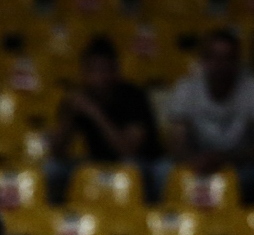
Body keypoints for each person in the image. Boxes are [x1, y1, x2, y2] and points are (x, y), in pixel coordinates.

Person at [163, 28, 254, 204]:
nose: (221, 65)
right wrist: (194, 160)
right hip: (197, 162)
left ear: (238, 61)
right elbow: (176, 142)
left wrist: (225, 160)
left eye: (228, 58)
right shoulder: (186, 87)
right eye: (214, 57)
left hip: (241, 165)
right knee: (160, 172)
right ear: (203, 61)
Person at [48, 36, 166, 202]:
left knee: (148, 168)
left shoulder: (133, 96)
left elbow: (127, 150)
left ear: (115, 71)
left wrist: (94, 112)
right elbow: (57, 152)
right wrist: (68, 116)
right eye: (93, 70)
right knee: (53, 169)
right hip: (97, 162)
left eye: (104, 70)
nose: (99, 77)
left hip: (142, 163)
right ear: (84, 72)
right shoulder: (79, 98)